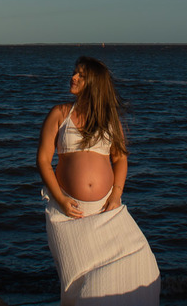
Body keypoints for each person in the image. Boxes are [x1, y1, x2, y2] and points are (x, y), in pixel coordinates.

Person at [37, 56, 160, 306]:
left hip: (107, 210)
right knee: (82, 278)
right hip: (69, 213)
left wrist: (116, 195)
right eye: (75, 73)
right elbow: (42, 160)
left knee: (140, 260)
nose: (74, 77)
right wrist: (60, 199)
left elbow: (120, 159)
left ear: (93, 83)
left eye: (81, 76)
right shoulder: (60, 114)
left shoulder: (109, 119)